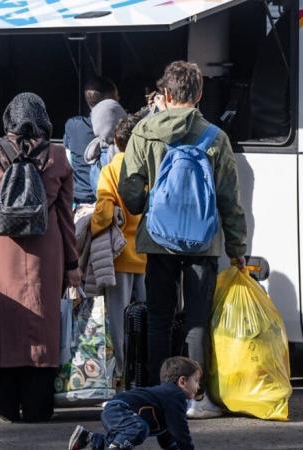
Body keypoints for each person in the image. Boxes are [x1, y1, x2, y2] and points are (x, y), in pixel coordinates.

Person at [118, 61, 247, 418]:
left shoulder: (143, 132)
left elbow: (129, 191)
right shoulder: (215, 137)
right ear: (200, 94)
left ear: (167, 94)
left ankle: (161, 395)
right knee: (195, 320)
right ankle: (195, 399)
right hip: (203, 244)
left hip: (158, 241)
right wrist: (238, 250)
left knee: (159, 318)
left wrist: (150, 204)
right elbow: (229, 201)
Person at [0, 92, 80, 422]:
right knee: (44, 325)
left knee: (4, 325)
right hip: (48, 253)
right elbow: (65, 218)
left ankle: (5, 407)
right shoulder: (57, 156)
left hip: (0, 252)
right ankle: (39, 406)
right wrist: (72, 265)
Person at [90, 114, 147, 385]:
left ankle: (121, 376)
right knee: (146, 318)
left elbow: (102, 214)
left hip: (121, 257)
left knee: (118, 321)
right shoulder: (150, 167)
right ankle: (145, 372)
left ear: (116, 141)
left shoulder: (110, 170)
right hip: (148, 256)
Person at [68, 356, 201, 450]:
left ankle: (88, 438)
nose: (198, 386)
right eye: (196, 380)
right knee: (138, 429)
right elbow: (180, 432)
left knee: (125, 437)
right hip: (120, 408)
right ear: (182, 381)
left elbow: (166, 436)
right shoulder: (175, 395)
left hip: (116, 409)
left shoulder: (166, 398)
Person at [63, 78, 117, 206]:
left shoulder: (73, 125)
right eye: (116, 97)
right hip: (110, 202)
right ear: (111, 100)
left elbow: (68, 158)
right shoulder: (120, 127)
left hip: (81, 201)